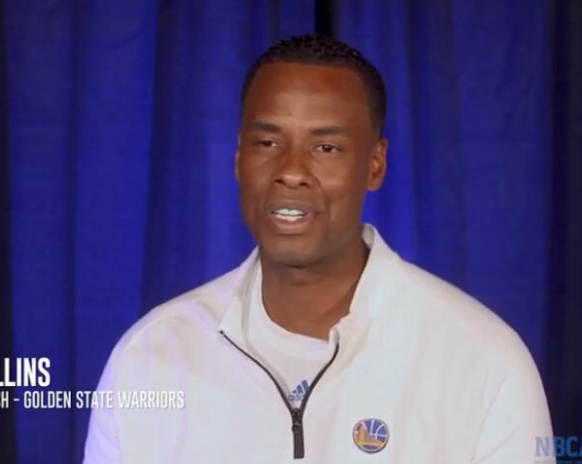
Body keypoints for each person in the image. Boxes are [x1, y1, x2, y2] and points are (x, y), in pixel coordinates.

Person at [83, 34, 552, 463]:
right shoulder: (149, 357)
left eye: (326, 148)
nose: (291, 171)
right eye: (268, 142)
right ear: (239, 159)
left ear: (375, 164)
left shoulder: (483, 361)